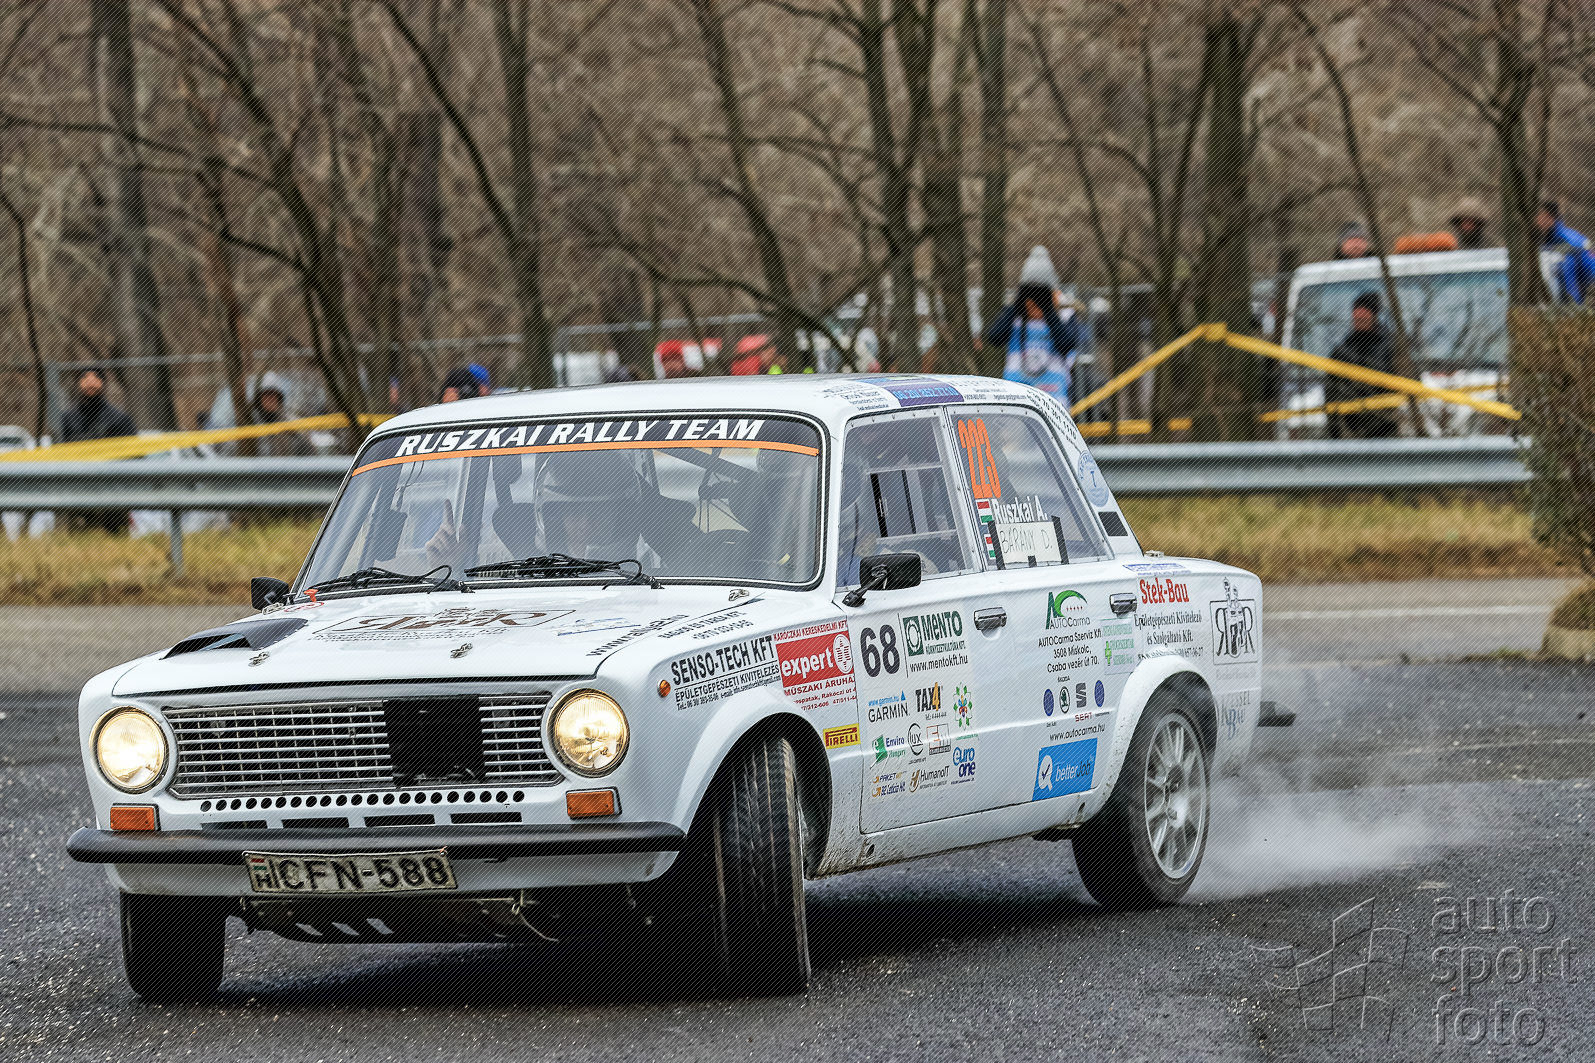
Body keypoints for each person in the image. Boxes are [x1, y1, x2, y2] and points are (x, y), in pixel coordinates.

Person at [985, 245, 1080, 402]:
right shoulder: (1015, 313)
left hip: (1053, 396)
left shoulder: (1065, 314)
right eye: (1031, 295)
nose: (1036, 302)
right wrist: (1017, 304)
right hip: (1016, 395)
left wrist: (1049, 311)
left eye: (1042, 295)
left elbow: (1066, 345)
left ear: (1054, 293)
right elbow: (994, 338)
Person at [60, 368, 136, 533]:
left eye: (95, 378)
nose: (90, 383)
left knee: (116, 540)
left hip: (113, 493)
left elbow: (134, 456)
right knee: (81, 540)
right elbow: (59, 454)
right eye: (85, 378)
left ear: (103, 384)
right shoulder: (67, 419)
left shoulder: (119, 419)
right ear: (79, 383)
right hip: (78, 491)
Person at [1325, 291, 1399, 439]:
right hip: (1352, 430)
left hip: (1388, 427)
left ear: (1374, 315)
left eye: (1364, 313)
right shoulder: (1342, 351)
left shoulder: (1392, 346)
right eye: (1356, 316)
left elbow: (1407, 380)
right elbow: (1330, 391)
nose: (1359, 318)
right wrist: (1335, 433)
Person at [1535, 199, 1595, 305]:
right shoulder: (1553, 236)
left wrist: (1574, 305)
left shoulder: (1564, 236)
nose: (1536, 219)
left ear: (1548, 217)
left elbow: (1570, 272)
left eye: (1539, 215)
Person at [250, 380, 312, 457]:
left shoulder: (290, 420)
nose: (269, 400)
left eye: (272, 396)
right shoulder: (254, 422)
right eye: (265, 397)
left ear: (279, 399)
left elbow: (307, 445)